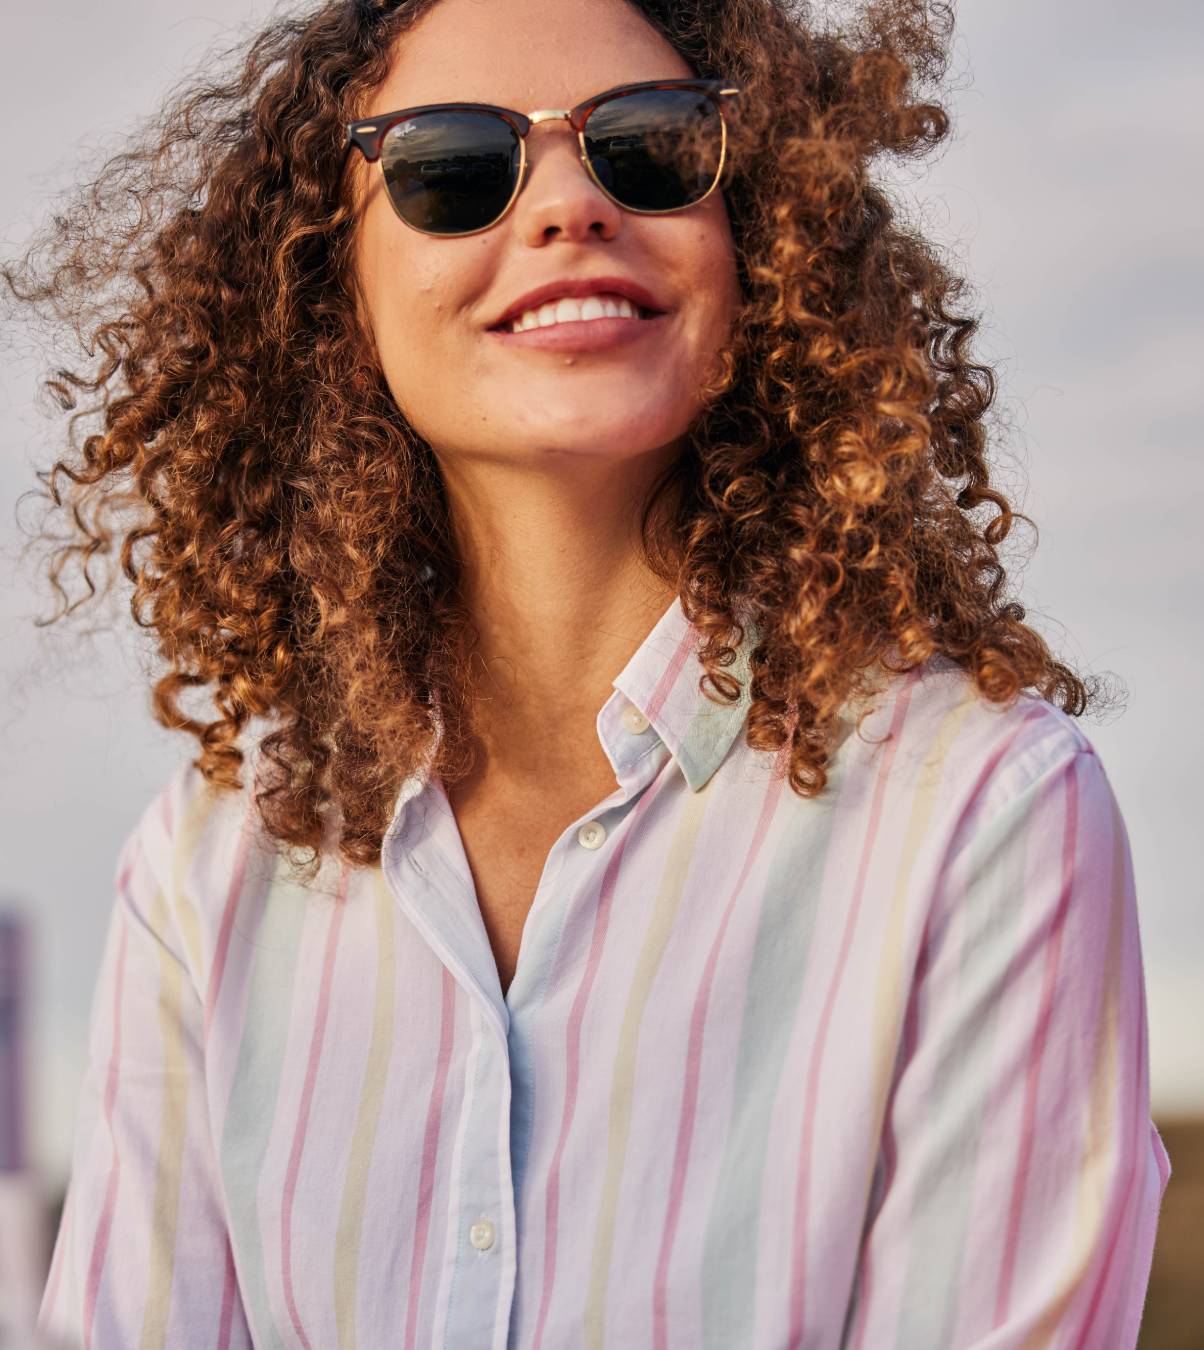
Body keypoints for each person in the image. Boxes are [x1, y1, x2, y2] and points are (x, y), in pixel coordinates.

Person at [4, 0, 1169, 1344]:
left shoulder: (984, 817)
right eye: (450, 166)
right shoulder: (210, 866)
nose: (568, 203)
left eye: (652, 148)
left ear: (764, 245)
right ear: (334, 296)